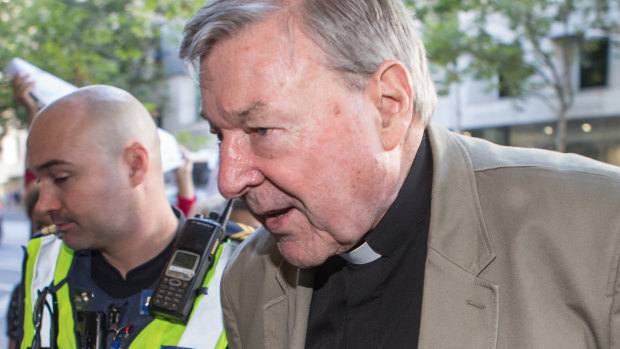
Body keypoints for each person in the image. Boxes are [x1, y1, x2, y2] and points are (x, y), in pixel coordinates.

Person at [179, 1, 620, 348]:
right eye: (220, 135)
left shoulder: (602, 234)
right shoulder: (247, 282)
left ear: (388, 106)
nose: (229, 180)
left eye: (260, 129)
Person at [16, 85, 243, 349]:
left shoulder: (243, 269)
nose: (43, 205)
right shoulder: (43, 257)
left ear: (134, 165)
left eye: (61, 178)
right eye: (40, 182)